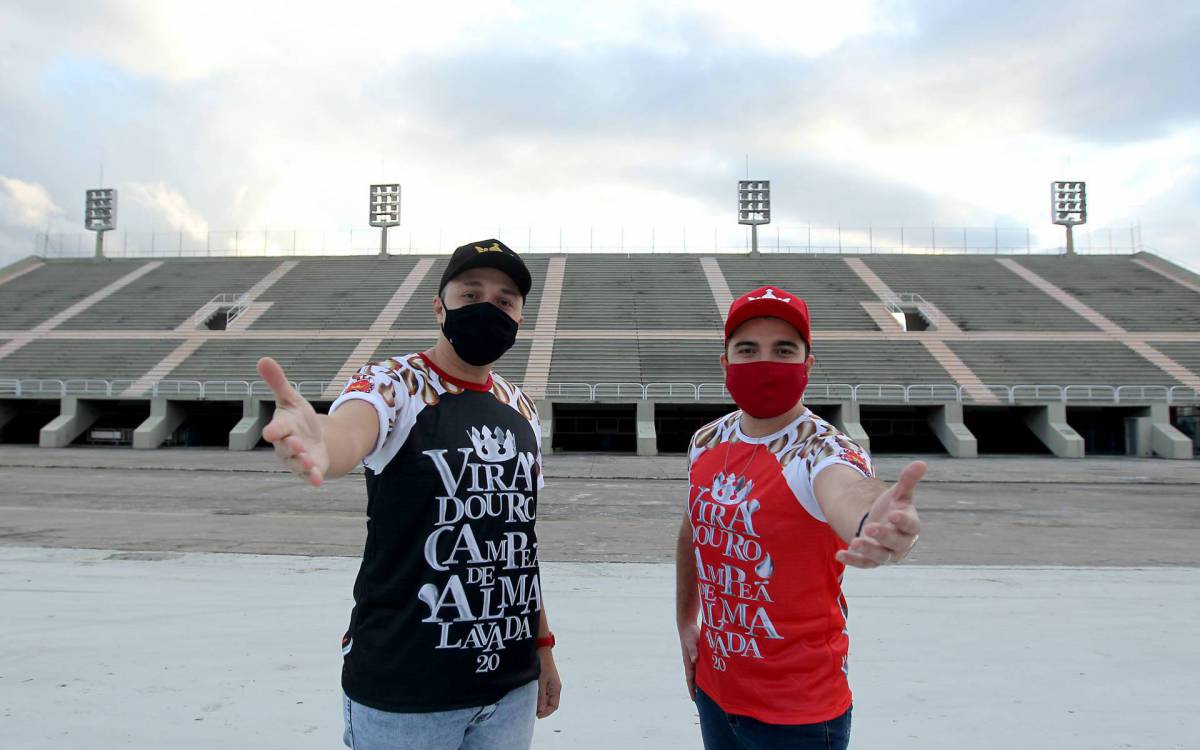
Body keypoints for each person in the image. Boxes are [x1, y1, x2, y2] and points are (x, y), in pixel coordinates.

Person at [257, 239, 561, 750]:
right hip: (405, 691)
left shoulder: (521, 407)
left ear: (521, 319)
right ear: (440, 307)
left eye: (505, 300)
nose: (489, 307)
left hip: (509, 685)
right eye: (471, 294)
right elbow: (348, 434)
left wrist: (543, 646)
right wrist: (320, 443)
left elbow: (516, 546)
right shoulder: (395, 383)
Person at [675, 285, 924, 750]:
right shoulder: (707, 440)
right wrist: (686, 622)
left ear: (807, 366)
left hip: (800, 714)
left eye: (783, 350)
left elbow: (848, 489)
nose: (764, 362)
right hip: (715, 692)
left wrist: (877, 520)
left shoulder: (821, 450)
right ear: (725, 363)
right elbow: (693, 529)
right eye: (748, 350)